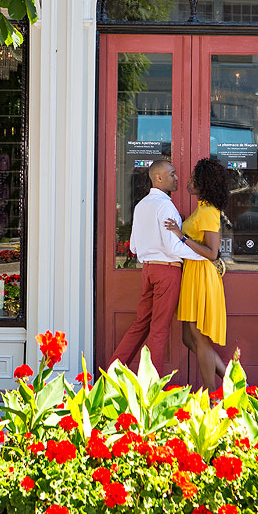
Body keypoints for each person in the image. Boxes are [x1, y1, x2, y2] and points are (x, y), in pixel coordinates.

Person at [108, 159, 200, 379]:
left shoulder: (141, 205)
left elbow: (133, 246)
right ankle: (151, 387)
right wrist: (205, 255)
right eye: (172, 174)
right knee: (158, 329)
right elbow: (172, 246)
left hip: (148, 270)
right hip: (167, 270)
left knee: (141, 324)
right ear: (158, 178)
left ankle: (110, 376)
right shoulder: (165, 205)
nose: (177, 178)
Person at [164, 158, 232, 389]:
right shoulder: (202, 208)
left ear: (204, 183)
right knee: (187, 336)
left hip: (202, 275)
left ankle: (211, 398)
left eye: (194, 179)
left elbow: (212, 252)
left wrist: (181, 236)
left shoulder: (209, 212)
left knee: (198, 334)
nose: (188, 181)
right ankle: (234, 382)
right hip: (193, 273)